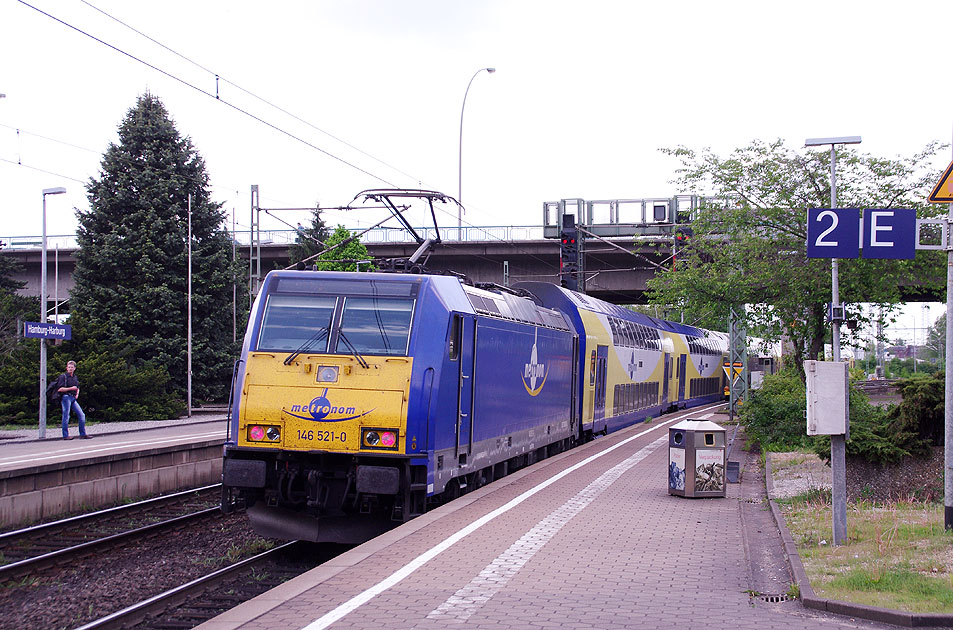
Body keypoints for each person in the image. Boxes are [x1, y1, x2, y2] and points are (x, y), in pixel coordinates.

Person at [55, 360, 90, 440]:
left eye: (72, 367)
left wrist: (77, 393)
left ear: (74, 368)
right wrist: (70, 388)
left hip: (73, 398)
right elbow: (59, 389)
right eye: (69, 367)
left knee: (81, 415)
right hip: (66, 397)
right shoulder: (63, 377)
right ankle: (65, 435)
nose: (70, 369)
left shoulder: (75, 377)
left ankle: (82, 434)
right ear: (67, 368)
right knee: (66, 415)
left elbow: (77, 387)